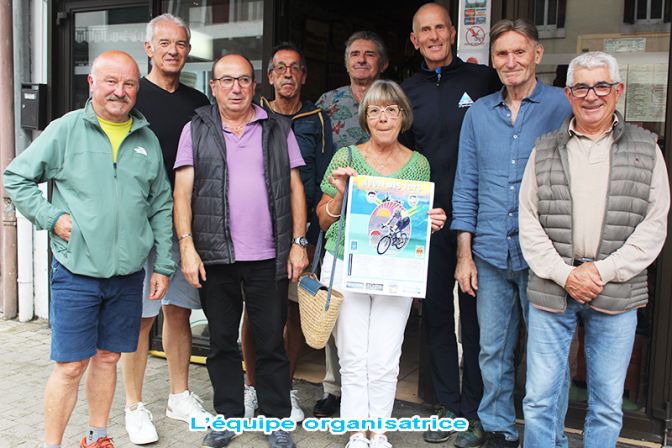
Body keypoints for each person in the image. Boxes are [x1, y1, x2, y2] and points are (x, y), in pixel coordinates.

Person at [3, 50, 176, 448]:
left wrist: (164, 265)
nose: (120, 91)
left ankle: (97, 438)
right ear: (92, 83)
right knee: (70, 366)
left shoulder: (146, 139)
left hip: (127, 276)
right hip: (76, 273)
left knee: (109, 358)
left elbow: (161, 206)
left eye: (129, 84)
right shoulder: (66, 130)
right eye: (111, 82)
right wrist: (50, 217)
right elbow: (15, 177)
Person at [519, 51, 670, 448]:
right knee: (539, 399)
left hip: (616, 290)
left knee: (606, 404)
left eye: (601, 86)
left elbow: (654, 225)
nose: (591, 96)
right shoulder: (544, 148)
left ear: (618, 91)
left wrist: (600, 271)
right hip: (553, 287)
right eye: (581, 87)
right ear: (568, 94)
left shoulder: (647, 149)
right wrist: (565, 274)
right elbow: (528, 221)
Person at [173, 53, 308, 448]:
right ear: (213, 87)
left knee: (271, 343)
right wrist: (187, 247)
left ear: (254, 85)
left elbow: (295, 188)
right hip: (215, 255)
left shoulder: (277, 128)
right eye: (227, 80)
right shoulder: (195, 130)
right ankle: (228, 417)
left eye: (244, 80)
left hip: (269, 256)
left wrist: (299, 243)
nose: (236, 88)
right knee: (221, 342)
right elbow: (182, 194)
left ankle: (275, 420)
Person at [451, 19, 572, 448]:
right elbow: (466, 185)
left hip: (545, 257)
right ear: (493, 59)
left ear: (537, 53)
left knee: (547, 357)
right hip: (489, 253)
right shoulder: (479, 112)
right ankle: (499, 429)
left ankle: (547, 437)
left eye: (520, 52)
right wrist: (464, 256)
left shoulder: (563, 105)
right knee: (492, 351)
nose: (511, 61)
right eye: (502, 53)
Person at [317, 79, 447, 448]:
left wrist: (429, 223)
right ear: (365, 117)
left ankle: (379, 432)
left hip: (394, 269)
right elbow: (323, 220)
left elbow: (412, 223)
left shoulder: (418, 164)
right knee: (353, 354)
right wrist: (340, 195)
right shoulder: (346, 158)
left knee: (386, 355)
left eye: (391, 110)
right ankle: (357, 432)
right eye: (374, 110)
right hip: (347, 263)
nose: (383, 118)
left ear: (403, 116)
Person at [399, 3, 501, 446]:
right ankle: (447, 405)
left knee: (477, 324)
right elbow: (401, 159)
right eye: (425, 30)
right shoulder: (407, 92)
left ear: (453, 32)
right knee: (438, 317)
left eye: (440, 27)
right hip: (432, 223)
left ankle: (476, 409)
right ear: (415, 39)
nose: (434, 36)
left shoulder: (482, 80)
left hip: (480, 220)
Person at [119, 14, 212, 445]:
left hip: (183, 225)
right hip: (138, 226)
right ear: (149, 48)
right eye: (165, 43)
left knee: (178, 311)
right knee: (140, 318)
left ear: (188, 50)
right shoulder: (132, 96)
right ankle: (134, 406)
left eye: (180, 44)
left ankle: (179, 396)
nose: (173, 50)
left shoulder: (199, 102)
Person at [236, 42, 334, 423]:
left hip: (300, 233)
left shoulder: (318, 119)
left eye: (295, 68)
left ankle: (285, 388)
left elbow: (325, 180)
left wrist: (310, 238)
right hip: (256, 231)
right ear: (270, 76)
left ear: (303, 76)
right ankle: (251, 386)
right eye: (280, 68)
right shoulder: (254, 113)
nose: (288, 74)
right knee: (254, 311)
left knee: (293, 310)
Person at [314, 30, 388, 419]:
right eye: (355, 54)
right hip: (338, 210)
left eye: (370, 54)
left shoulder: (391, 99)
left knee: (377, 318)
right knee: (339, 306)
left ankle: (372, 394)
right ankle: (334, 387)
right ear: (346, 62)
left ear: (383, 63)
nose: (361, 59)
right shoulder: (327, 103)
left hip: (381, 221)